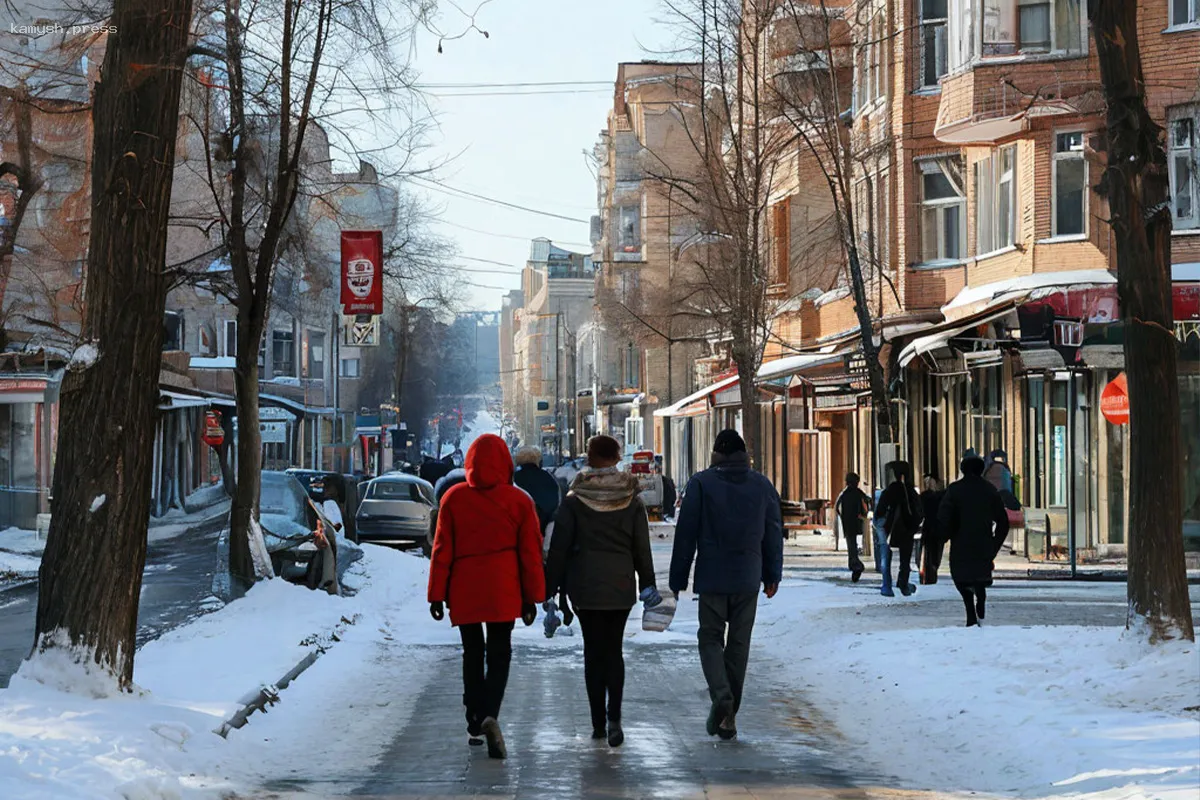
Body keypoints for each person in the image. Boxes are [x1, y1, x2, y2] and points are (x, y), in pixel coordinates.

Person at [427, 434, 545, 759]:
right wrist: (532, 597)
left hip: (464, 586)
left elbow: (441, 552)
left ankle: (474, 719)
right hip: (503, 586)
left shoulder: (453, 499)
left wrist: (436, 595)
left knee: (472, 653)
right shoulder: (520, 501)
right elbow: (530, 554)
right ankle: (491, 711)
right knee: (499, 652)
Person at [669, 429, 784, 741]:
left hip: (713, 576)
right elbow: (773, 530)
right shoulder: (762, 485)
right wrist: (772, 574)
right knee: (739, 645)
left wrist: (677, 578)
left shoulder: (701, 484)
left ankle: (722, 695)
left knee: (709, 638)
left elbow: (686, 533)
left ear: (716, 453)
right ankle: (729, 718)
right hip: (748, 575)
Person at [544, 435, 657, 748]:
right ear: (617, 457)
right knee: (614, 652)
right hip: (620, 586)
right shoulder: (631, 499)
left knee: (593, 653)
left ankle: (597, 722)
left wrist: (550, 588)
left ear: (590, 458)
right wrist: (648, 583)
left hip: (585, 587)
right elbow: (641, 548)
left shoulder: (574, 499)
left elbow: (559, 549)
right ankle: (614, 718)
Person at [939, 453, 1010, 626]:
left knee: (962, 578)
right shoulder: (989, 490)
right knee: (979, 576)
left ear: (962, 470)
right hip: (983, 542)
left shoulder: (954, 490)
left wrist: (944, 536)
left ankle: (970, 610)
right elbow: (1003, 522)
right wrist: (994, 545)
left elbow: (944, 517)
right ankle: (981, 596)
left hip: (961, 542)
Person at [874, 461, 923, 597]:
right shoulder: (911, 490)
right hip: (908, 528)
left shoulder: (891, 489)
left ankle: (887, 586)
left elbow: (881, 510)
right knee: (905, 558)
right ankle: (903, 582)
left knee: (886, 557)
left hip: (892, 528)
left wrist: (880, 521)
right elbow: (920, 509)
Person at [512, 446, 562, 535]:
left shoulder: (514, 477)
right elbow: (555, 501)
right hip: (544, 526)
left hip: (519, 527)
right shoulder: (547, 477)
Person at [834, 472, 870, 582]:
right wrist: (863, 515)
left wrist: (842, 517)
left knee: (851, 546)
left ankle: (855, 565)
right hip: (858, 522)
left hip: (847, 523)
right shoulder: (859, 493)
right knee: (855, 545)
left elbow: (837, 508)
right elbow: (867, 503)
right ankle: (855, 565)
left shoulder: (844, 494)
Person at [918, 475, 947, 584]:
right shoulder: (941, 496)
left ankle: (929, 573)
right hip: (939, 527)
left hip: (927, 526)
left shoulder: (923, 496)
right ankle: (934, 570)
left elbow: (920, 512)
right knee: (937, 551)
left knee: (927, 551)